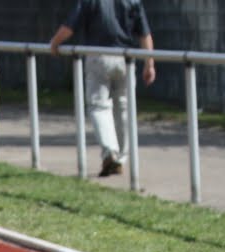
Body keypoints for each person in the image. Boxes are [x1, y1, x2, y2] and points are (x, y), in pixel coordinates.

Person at [48, 0, 156, 179]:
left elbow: (70, 26)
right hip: (126, 59)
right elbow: (145, 33)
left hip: (98, 56)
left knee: (98, 106)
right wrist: (149, 64)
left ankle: (110, 151)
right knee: (124, 108)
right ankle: (120, 158)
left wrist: (55, 43)